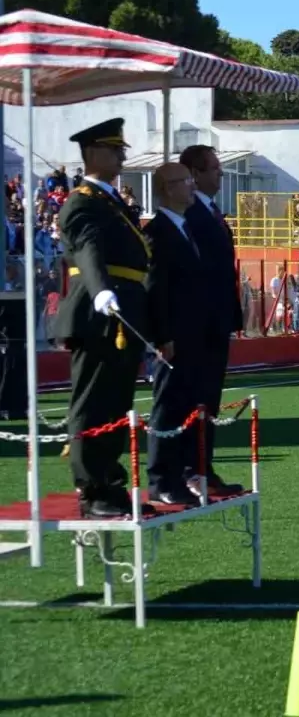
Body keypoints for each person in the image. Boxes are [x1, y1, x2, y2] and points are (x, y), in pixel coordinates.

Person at [55, 118, 151, 518]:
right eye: (114, 150)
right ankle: (91, 487)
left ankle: (110, 481)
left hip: (123, 310)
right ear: (93, 152)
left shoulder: (109, 200)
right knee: (93, 402)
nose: (120, 156)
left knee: (115, 400)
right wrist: (101, 291)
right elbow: (89, 248)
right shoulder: (82, 201)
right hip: (100, 311)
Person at [181, 145, 244, 495]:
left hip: (216, 320)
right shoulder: (189, 213)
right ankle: (191, 469)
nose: (220, 174)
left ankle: (204, 467)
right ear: (195, 172)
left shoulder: (210, 210)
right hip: (199, 322)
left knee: (210, 399)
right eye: (214, 169)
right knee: (196, 399)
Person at [144, 163, 206, 505]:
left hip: (191, 334)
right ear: (168, 188)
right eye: (185, 180)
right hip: (173, 338)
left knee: (183, 403)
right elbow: (157, 290)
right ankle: (160, 480)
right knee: (167, 406)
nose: (191, 185)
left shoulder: (183, 228)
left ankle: (177, 474)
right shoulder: (159, 231)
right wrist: (163, 337)